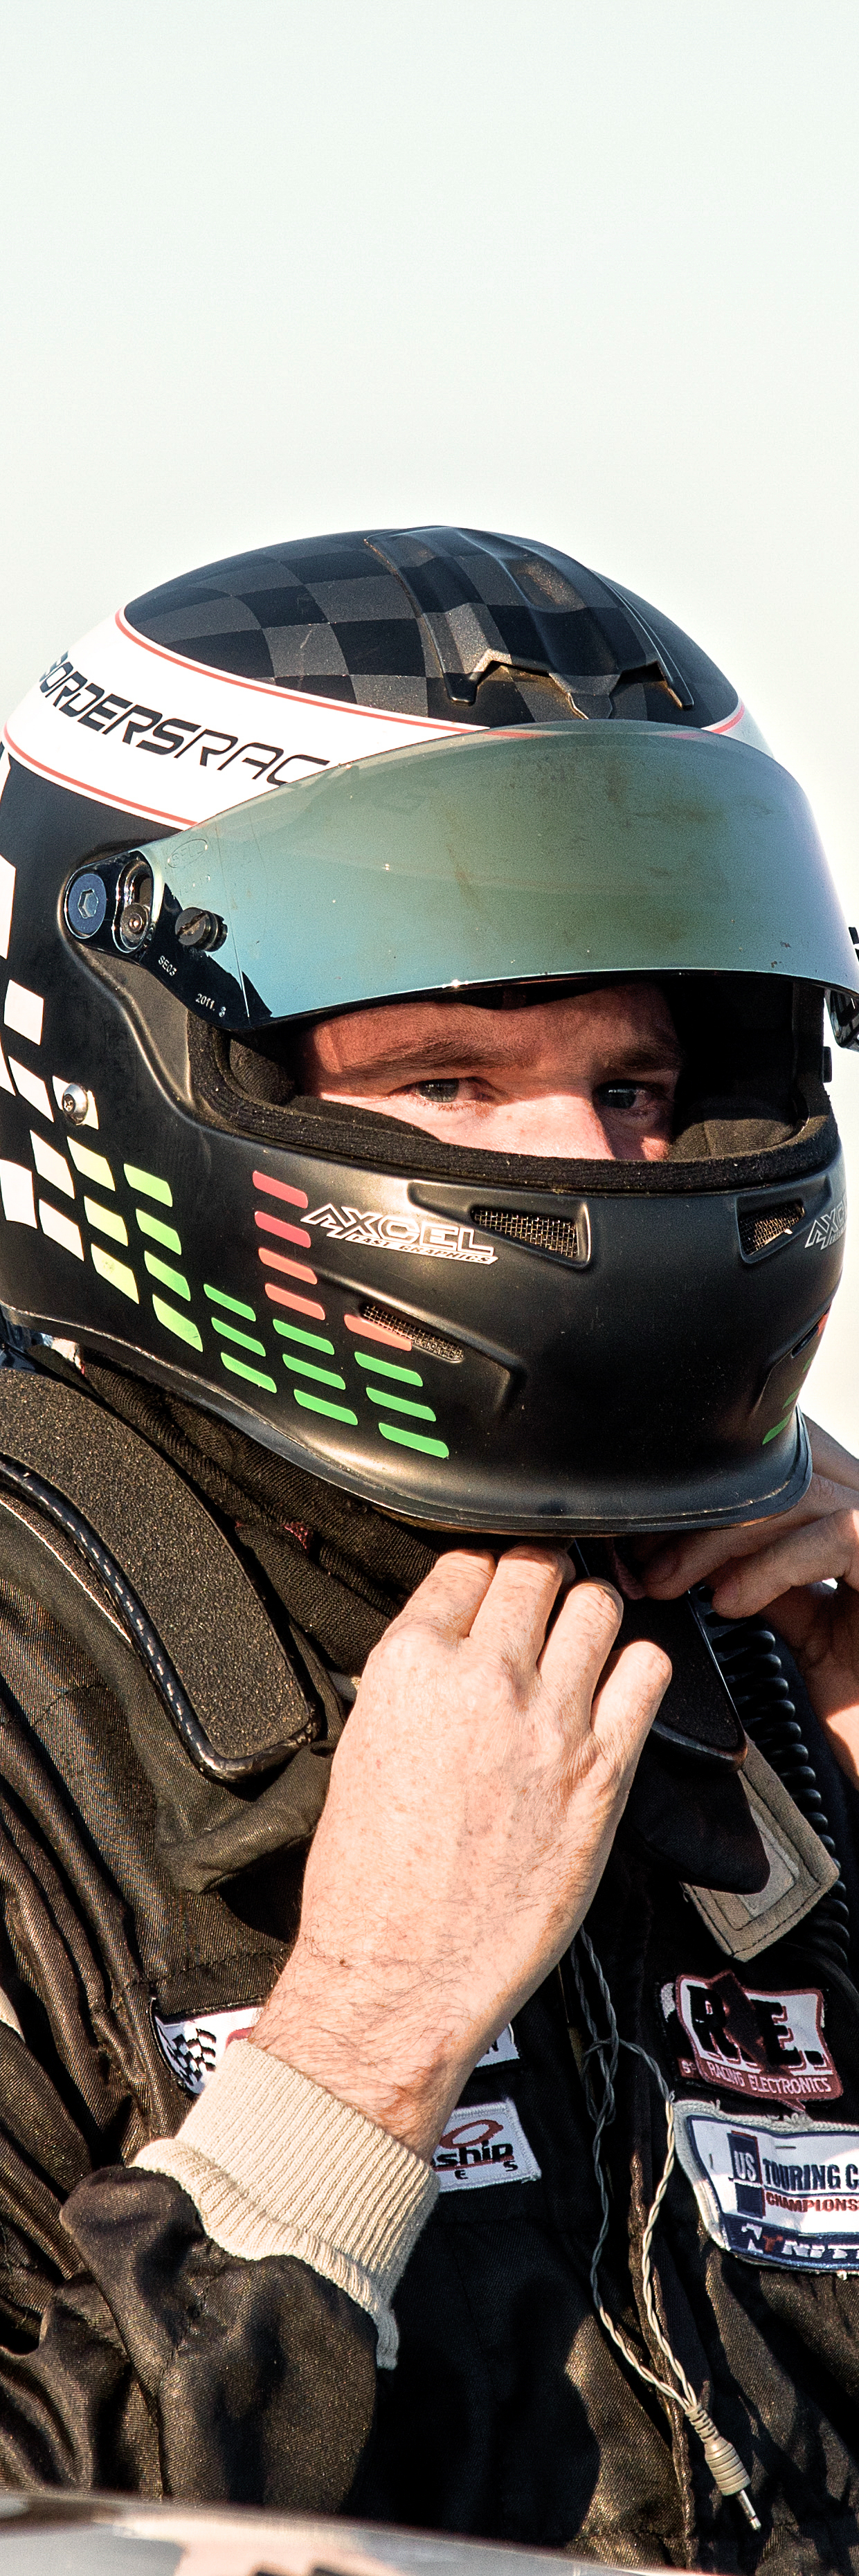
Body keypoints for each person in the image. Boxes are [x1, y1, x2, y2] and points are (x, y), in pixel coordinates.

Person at [0, 523, 858, 2570]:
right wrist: (361, 2041)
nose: (593, 1169)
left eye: (640, 1081)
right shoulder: (38, 1698)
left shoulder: (755, 1631)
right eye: (452, 1081)